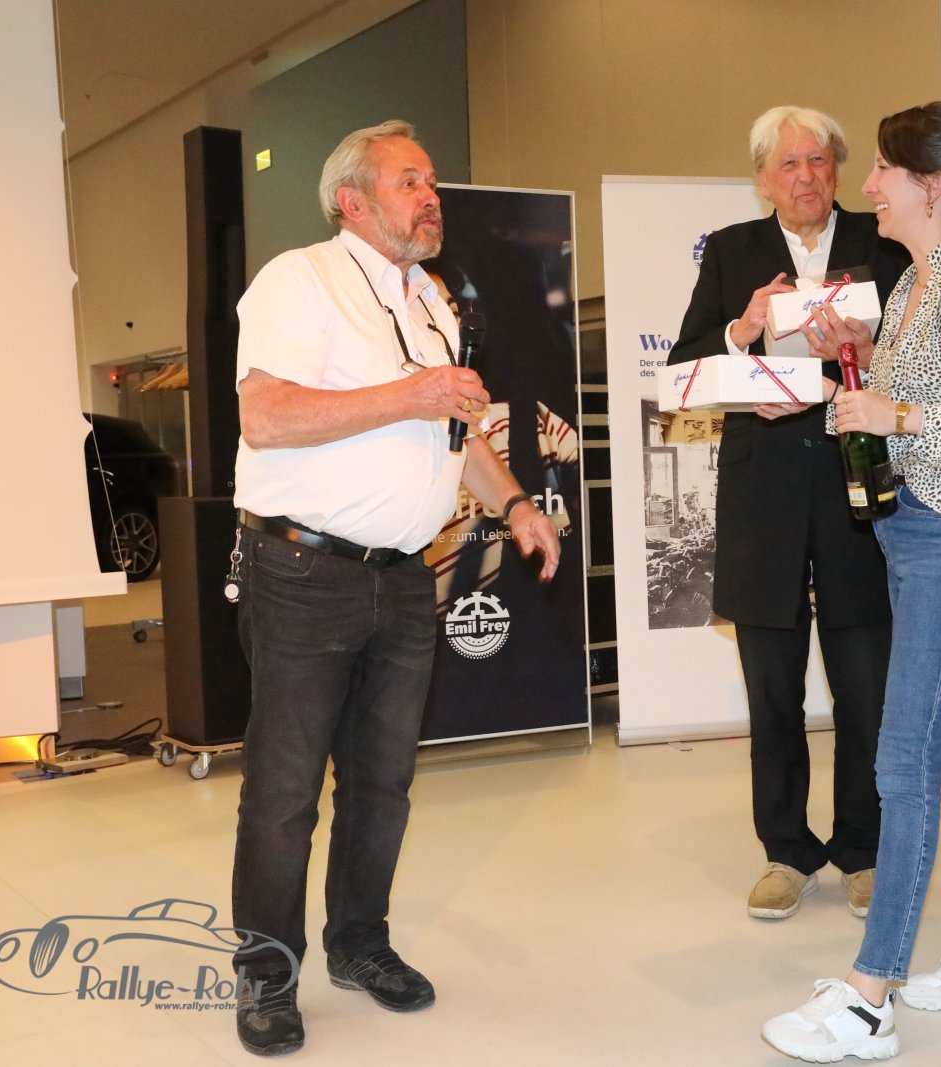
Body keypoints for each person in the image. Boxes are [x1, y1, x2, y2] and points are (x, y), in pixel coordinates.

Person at [228, 119, 561, 1057]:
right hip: (302, 573)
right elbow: (266, 417)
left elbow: (457, 431)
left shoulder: (429, 299)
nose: (431, 196)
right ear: (353, 202)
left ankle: (359, 944)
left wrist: (514, 504)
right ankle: (267, 973)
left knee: (384, 782)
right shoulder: (299, 279)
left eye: (431, 182)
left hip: (406, 579)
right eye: (410, 181)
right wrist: (408, 395)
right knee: (286, 789)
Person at [759, 101, 941, 1062]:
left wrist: (902, 416)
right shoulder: (918, 283)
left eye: (883, 170)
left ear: (930, 185)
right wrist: (848, 380)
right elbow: (901, 406)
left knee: (901, 761)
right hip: (922, 536)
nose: (867, 185)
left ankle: (867, 998)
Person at [668, 106, 907, 920]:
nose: (806, 176)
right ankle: (786, 850)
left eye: (819, 161)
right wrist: (741, 333)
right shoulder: (732, 250)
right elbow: (686, 368)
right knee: (771, 689)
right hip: (763, 491)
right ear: (763, 179)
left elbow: (915, 359)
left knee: (865, 683)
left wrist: (864, 355)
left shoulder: (882, 244)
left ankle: (864, 848)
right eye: (789, 164)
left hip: (856, 483)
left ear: (837, 170)